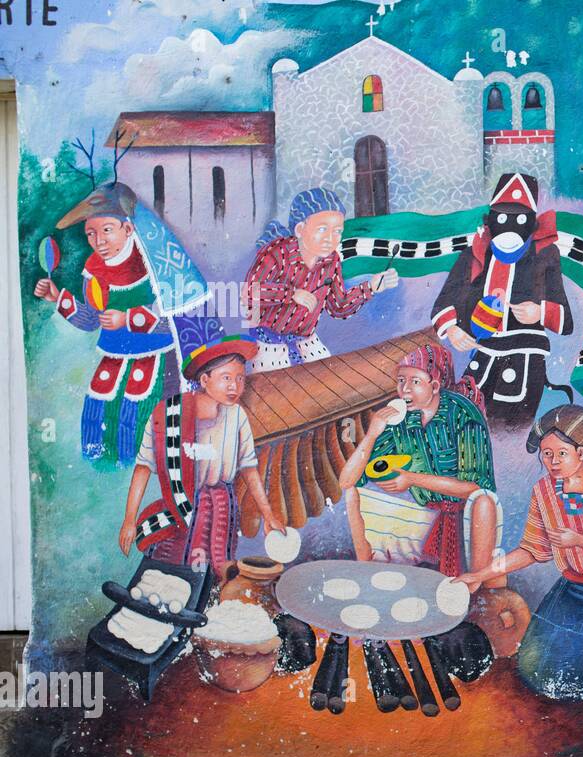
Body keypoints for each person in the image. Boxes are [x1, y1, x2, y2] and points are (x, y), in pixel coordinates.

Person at [454, 405, 583, 702]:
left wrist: (579, 540)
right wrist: (479, 575)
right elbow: (532, 550)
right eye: (546, 454)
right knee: (535, 669)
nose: (552, 462)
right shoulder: (544, 490)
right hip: (573, 588)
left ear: (581, 453)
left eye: (561, 454)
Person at [34, 181, 210, 464]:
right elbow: (92, 320)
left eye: (106, 230)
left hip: (157, 355)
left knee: (137, 406)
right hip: (114, 353)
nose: (99, 241)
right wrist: (59, 299)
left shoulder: (152, 263)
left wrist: (127, 318)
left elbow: (173, 315)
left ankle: (135, 463)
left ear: (127, 229)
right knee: (98, 401)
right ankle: (98, 465)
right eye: (91, 233)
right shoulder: (93, 271)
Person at [119, 335, 285, 577]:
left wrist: (268, 515)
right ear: (205, 380)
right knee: (173, 572)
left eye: (240, 378)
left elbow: (249, 469)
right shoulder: (168, 414)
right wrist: (129, 520)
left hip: (221, 508)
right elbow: (144, 467)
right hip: (182, 508)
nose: (234, 387)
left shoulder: (237, 415)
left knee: (217, 571)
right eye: (226, 378)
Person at [338, 344, 500, 577]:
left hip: (470, 517)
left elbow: (477, 488)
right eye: (401, 380)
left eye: (414, 381)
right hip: (428, 514)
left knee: (483, 502)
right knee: (354, 493)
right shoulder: (401, 420)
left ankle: (475, 583)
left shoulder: (463, 414)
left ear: (434, 386)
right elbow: (346, 481)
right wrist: (372, 434)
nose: (404, 390)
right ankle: (368, 573)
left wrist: (412, 479)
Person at [428, 173, 573, 427]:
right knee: (462, 419)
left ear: (531, 222)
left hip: (525, 358)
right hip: (481, 356)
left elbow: (565, 320)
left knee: (506, 427)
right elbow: (444, 301)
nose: (509, 226)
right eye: (503, 217)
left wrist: (540, 312)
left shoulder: (544, 255)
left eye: (519, 219)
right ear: (491, 219)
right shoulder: (474, 254)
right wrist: (451, 328)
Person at [243, 187, 398, 372]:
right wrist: (291, 294)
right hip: (268, 344)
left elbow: (338, 307)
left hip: (306, 341)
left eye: (337, 231)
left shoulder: (331, 261)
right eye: (323, 229)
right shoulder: (276, 254)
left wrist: (370, 288)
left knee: (329, 381)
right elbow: (250, 295)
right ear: (300, 229)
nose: (330, 238)